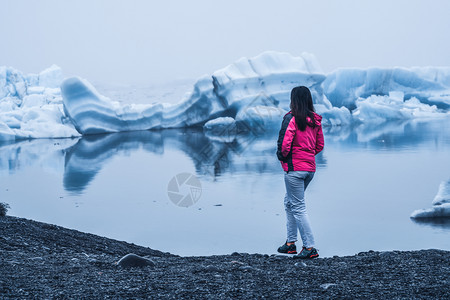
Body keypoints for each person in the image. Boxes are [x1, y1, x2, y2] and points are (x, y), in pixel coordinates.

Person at [276, 86, 324, 259]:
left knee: (298, 207)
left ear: (293, 100)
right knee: (289, 202)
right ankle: (290, 243)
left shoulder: (291, 118)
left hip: (294, 169)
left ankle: (310, 247)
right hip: (309, 169)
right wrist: (307, 157)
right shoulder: (315, 121)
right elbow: (319, 145)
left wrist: (283, 157)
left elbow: (284, 144)